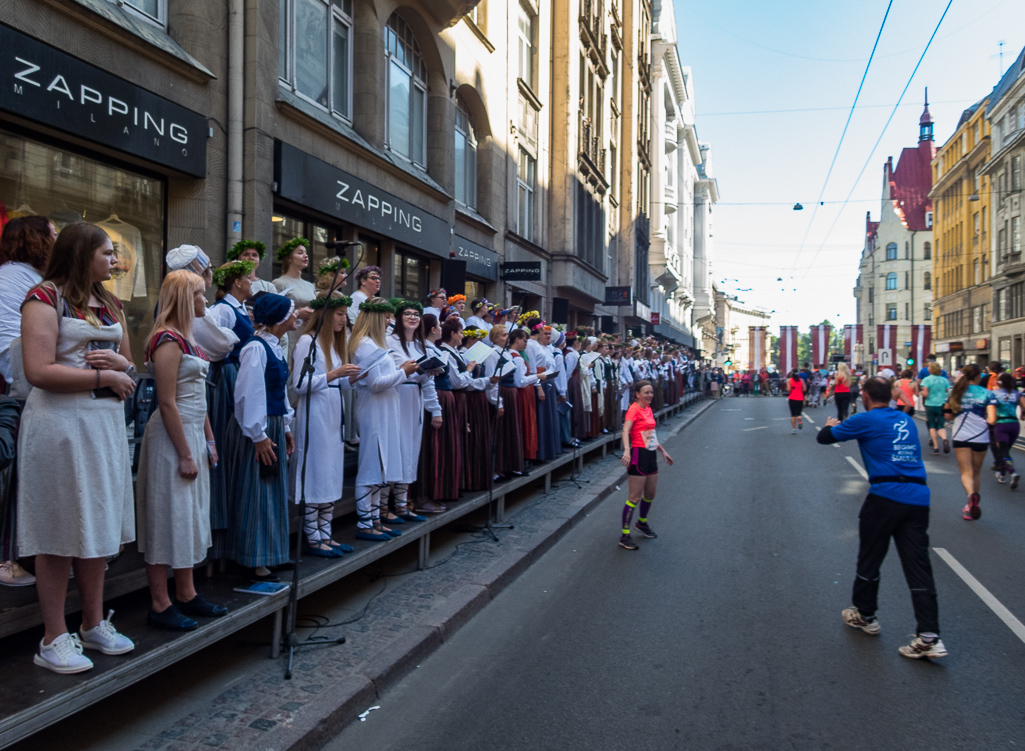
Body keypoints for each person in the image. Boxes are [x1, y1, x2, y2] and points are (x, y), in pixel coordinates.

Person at [18, 222, 137, 673]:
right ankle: (52, 637)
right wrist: (104, 376)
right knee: (58, 529)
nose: (114, 261)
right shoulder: (43, 298)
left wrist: (119, 364)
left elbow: (130, 361)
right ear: (82, 252)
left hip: (102, 426)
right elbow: (38, 370)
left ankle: (92, 623)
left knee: (97, 526)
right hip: (59, 427)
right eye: (107, 253)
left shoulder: (110, 303)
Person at [816, 377, 946, 660]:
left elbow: (824, 438)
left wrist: (830, 426)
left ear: (864, 396)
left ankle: (865, 615)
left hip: (885, 496)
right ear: (890, 396)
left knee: (870, 558)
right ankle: (929, 636)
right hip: (918, 497)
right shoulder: (907, 420)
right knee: (918, 566)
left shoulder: (866, 419)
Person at [137, 271, 228, 631]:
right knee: (165, 516)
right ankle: (160, 602)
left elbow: (198, 399)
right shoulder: (167, 340)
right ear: (185, 299)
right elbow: (167, 402)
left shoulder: (188, 338)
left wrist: (208, 440)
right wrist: (186, 453)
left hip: (190, 433)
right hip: (171, 439)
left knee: (188, 515)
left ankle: (187, 592)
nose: (206, 301)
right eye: (202, 295)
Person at [0, 215, 55, 588]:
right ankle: (7, 558)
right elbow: (11, 348)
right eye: (52, 234)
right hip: (16, 392)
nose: (57, 240)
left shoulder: (25, 280)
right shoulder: (18, 282)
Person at [230, 294, 299, 580]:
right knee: (258, 492)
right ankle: (255, 559)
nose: (296, 318)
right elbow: (248, 393)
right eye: (292, 314)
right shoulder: (256, 348)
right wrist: (257, 434)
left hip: (272, 423)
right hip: (258, 426)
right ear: (281, 318)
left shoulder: (273, 346)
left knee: (273, 491)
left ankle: (273, 553)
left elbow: (278, 390)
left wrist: (285, 425)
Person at [290, 290, 363, 556]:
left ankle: (326, 533)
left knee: (332, 472)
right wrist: (334, 374)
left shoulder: (334, 344)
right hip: (315, 414)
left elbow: (340, 382)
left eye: (345, 314)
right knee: (316, 472)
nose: (344, 319)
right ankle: (313, 536)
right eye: (340, 314)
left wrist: (352, 376)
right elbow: (299, 385)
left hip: (333, 413)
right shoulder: (306, 342)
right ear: (326, 314)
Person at [349, 297, 418, 539]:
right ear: (376, 318)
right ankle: (364, 522)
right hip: (374, 408)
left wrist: (402, 371)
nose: (391, 322)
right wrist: (403, 372)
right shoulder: (366, 345)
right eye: (387, 318)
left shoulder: (376, 344)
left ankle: (376, 519)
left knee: (381, 466)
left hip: (387, 408)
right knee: (371, 464)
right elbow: (375, 384)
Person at [205, 260, 256, 559]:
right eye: (248, 278)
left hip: (236, 372)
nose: (252, 282)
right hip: (227, 375)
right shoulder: (224, 309)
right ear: (237, 282)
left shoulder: (236, 308)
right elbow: (215, 344)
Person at [386, 299, 440, 522]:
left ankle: (402, 503)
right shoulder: (389, 341)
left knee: (410, 451)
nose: (412, 317)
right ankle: (383, 506)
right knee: (395, 450)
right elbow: (391, 371)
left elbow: (427, 382)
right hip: (396, 397)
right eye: (407, 313)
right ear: (399, 318)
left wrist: (435, 409)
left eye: (416, 314)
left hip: (414, 400)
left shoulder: (420, 345)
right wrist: (415, 369)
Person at [618, 380, 674, 550]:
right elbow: (625, 430)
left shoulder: (648, 409)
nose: (649, 395)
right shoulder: (633, 409)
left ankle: (642, 523)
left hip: (650, 453)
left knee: (650, 493)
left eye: (651, 392)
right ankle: (625, 535)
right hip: (638, 455)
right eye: (646, 392)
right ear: (637, 394)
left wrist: (662, 450)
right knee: (634, 497)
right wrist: (627, 450)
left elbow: (650, 433)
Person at [943, 364, 993, 521]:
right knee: (976, 472)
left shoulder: (955, 392)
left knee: (966, 472)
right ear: (979, 376)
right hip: (981, 436)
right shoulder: (987, 393)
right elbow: (992, 419)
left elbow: (947, 416)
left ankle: (971, 496)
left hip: (961, 435)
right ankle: (971, 503)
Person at [272, 237, 318, 354]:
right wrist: (297, 314)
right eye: (300, 253)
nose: (305, 256)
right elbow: (275, 312)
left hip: (308, 332)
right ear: (289, 258)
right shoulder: (279, 283)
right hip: (290, 334)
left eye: (306, 253)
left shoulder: (310, 286)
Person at [987, 372, 1024, 489]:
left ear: (999, 382)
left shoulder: (993, 394)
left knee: (1003, 451)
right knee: (1006, 451)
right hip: (1014, 424)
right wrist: (1022, 414)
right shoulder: (1017, 394)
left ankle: (1013, 473)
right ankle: (1002, 474)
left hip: (1001, 425)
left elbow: (991, 414)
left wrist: (988, 420)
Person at [919, 363, 951, 456]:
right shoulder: (944, 380)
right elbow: (949, 392)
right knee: (941, 425)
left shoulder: (926, 380)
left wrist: (921, 392)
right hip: (942, 404)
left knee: (932, 425)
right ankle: (945, 438)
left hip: (930, 404)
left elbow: (925, 394)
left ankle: (936, 447)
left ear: (930, 369)